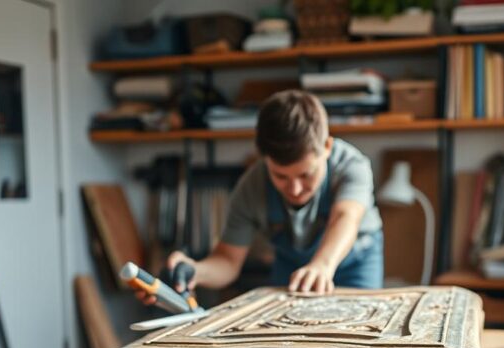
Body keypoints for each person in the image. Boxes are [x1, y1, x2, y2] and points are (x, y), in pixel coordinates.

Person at [142, 90, 384, 305]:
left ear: (327, 147)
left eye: (306, 174)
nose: (296, 189)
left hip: (355, 263)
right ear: (263, 158)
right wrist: (195, 270)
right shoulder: (251, 186)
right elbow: (227, 260)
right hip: (292, 268)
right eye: (281, 176)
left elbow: (346, 217)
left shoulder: (352, 165)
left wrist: (322, 265)